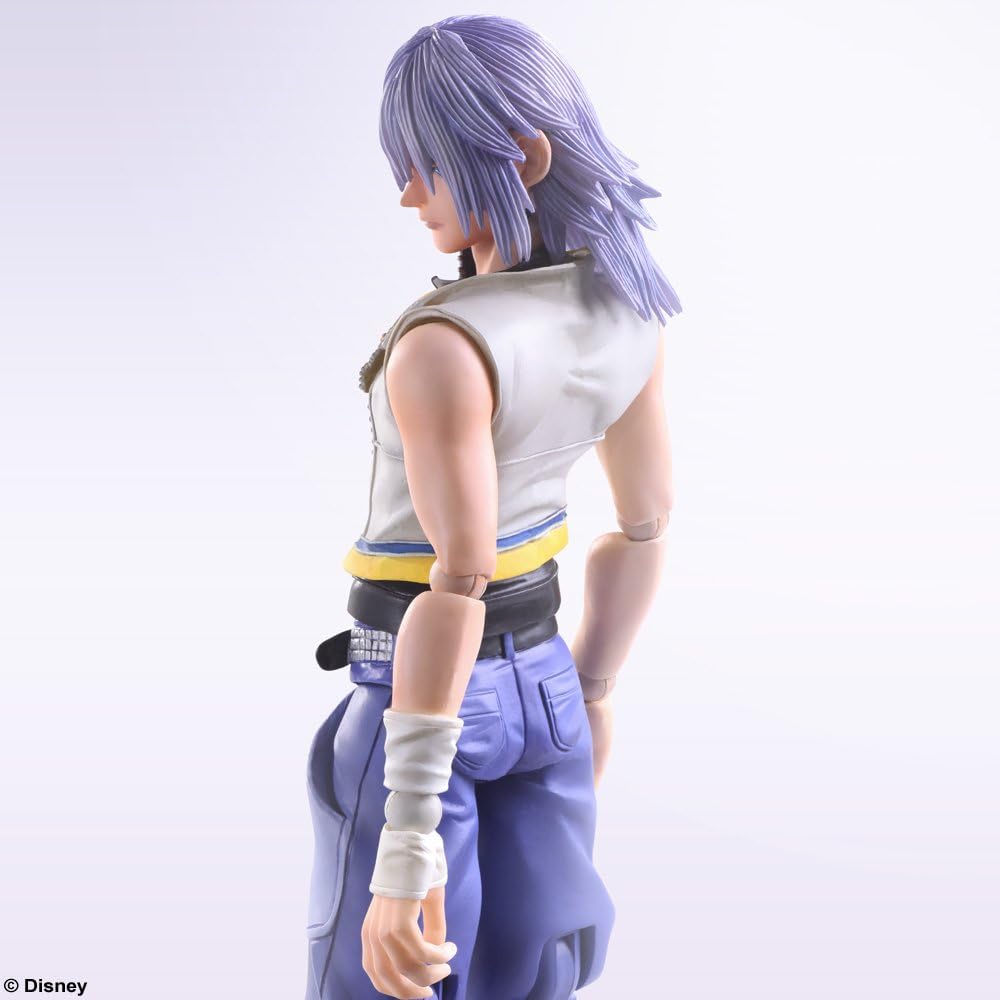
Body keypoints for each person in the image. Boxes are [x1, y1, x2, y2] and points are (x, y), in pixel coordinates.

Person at [304, 15, 680, 1000]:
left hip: (430, 691)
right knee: (535, 958)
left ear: (522, 157)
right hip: (550, 682)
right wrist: (591, 692)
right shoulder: (627, 310)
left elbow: (459, 576)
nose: (408, 194)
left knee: (394, 971)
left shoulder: (445, 344)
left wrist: (406, 836)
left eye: (426, 166)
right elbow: (645, 523)